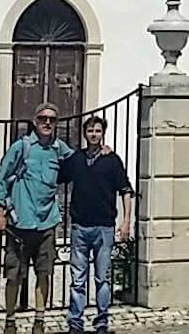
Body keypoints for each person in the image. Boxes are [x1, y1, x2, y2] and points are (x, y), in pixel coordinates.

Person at [0, 103, 73, 334]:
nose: (47, 123)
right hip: (20, 223)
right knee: (13, 274)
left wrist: (101, 150)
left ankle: (39, 319)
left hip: (47, 222)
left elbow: (80, 164)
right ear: (35, 121)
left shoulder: (60, 149)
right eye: (42, 118)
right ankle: (10, 320)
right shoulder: (21, 147)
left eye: (52, 119)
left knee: (44, 273)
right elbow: (1, 179)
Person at [60, 115, 133, 333]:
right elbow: (57, 175)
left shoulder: (112, 160)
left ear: (103, 133)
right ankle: (75, 322)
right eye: (90, 130)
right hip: (80, 227)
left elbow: (126, 191)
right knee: (77, 279)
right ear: (85, 134)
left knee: (103, 278)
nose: (94, 134)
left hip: (104, 227)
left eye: (98, 131)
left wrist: (126, 221)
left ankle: (102, 320)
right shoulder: (76, 159)